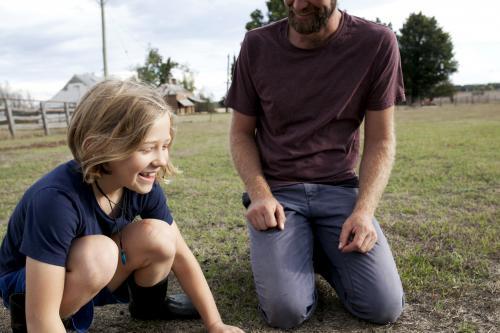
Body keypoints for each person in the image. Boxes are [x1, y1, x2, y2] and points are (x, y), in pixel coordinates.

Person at [0, 80, 244, 333]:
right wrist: (40, 320)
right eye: (148, 148)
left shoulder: (140, 183)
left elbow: (181, 256)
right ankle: (45, 323)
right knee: (100, 253)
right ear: (98, 146)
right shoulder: (55, 200)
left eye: (165, 146)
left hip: (93, 271)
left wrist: (215, 324)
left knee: (160, 235)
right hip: (31, 287)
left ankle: (148, 308)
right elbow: (44, 313)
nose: (161, 160)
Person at [226, 0, 405, 329]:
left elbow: (381, 139)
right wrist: (259, 194)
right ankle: (298, 249)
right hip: (278, 194)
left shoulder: (377, 42)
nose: (298, 4)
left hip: (339, 190)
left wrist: (363, 212)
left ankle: (312, 249)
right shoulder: (257, 45)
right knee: (286, 312)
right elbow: (240, 134)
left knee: (383, 308)